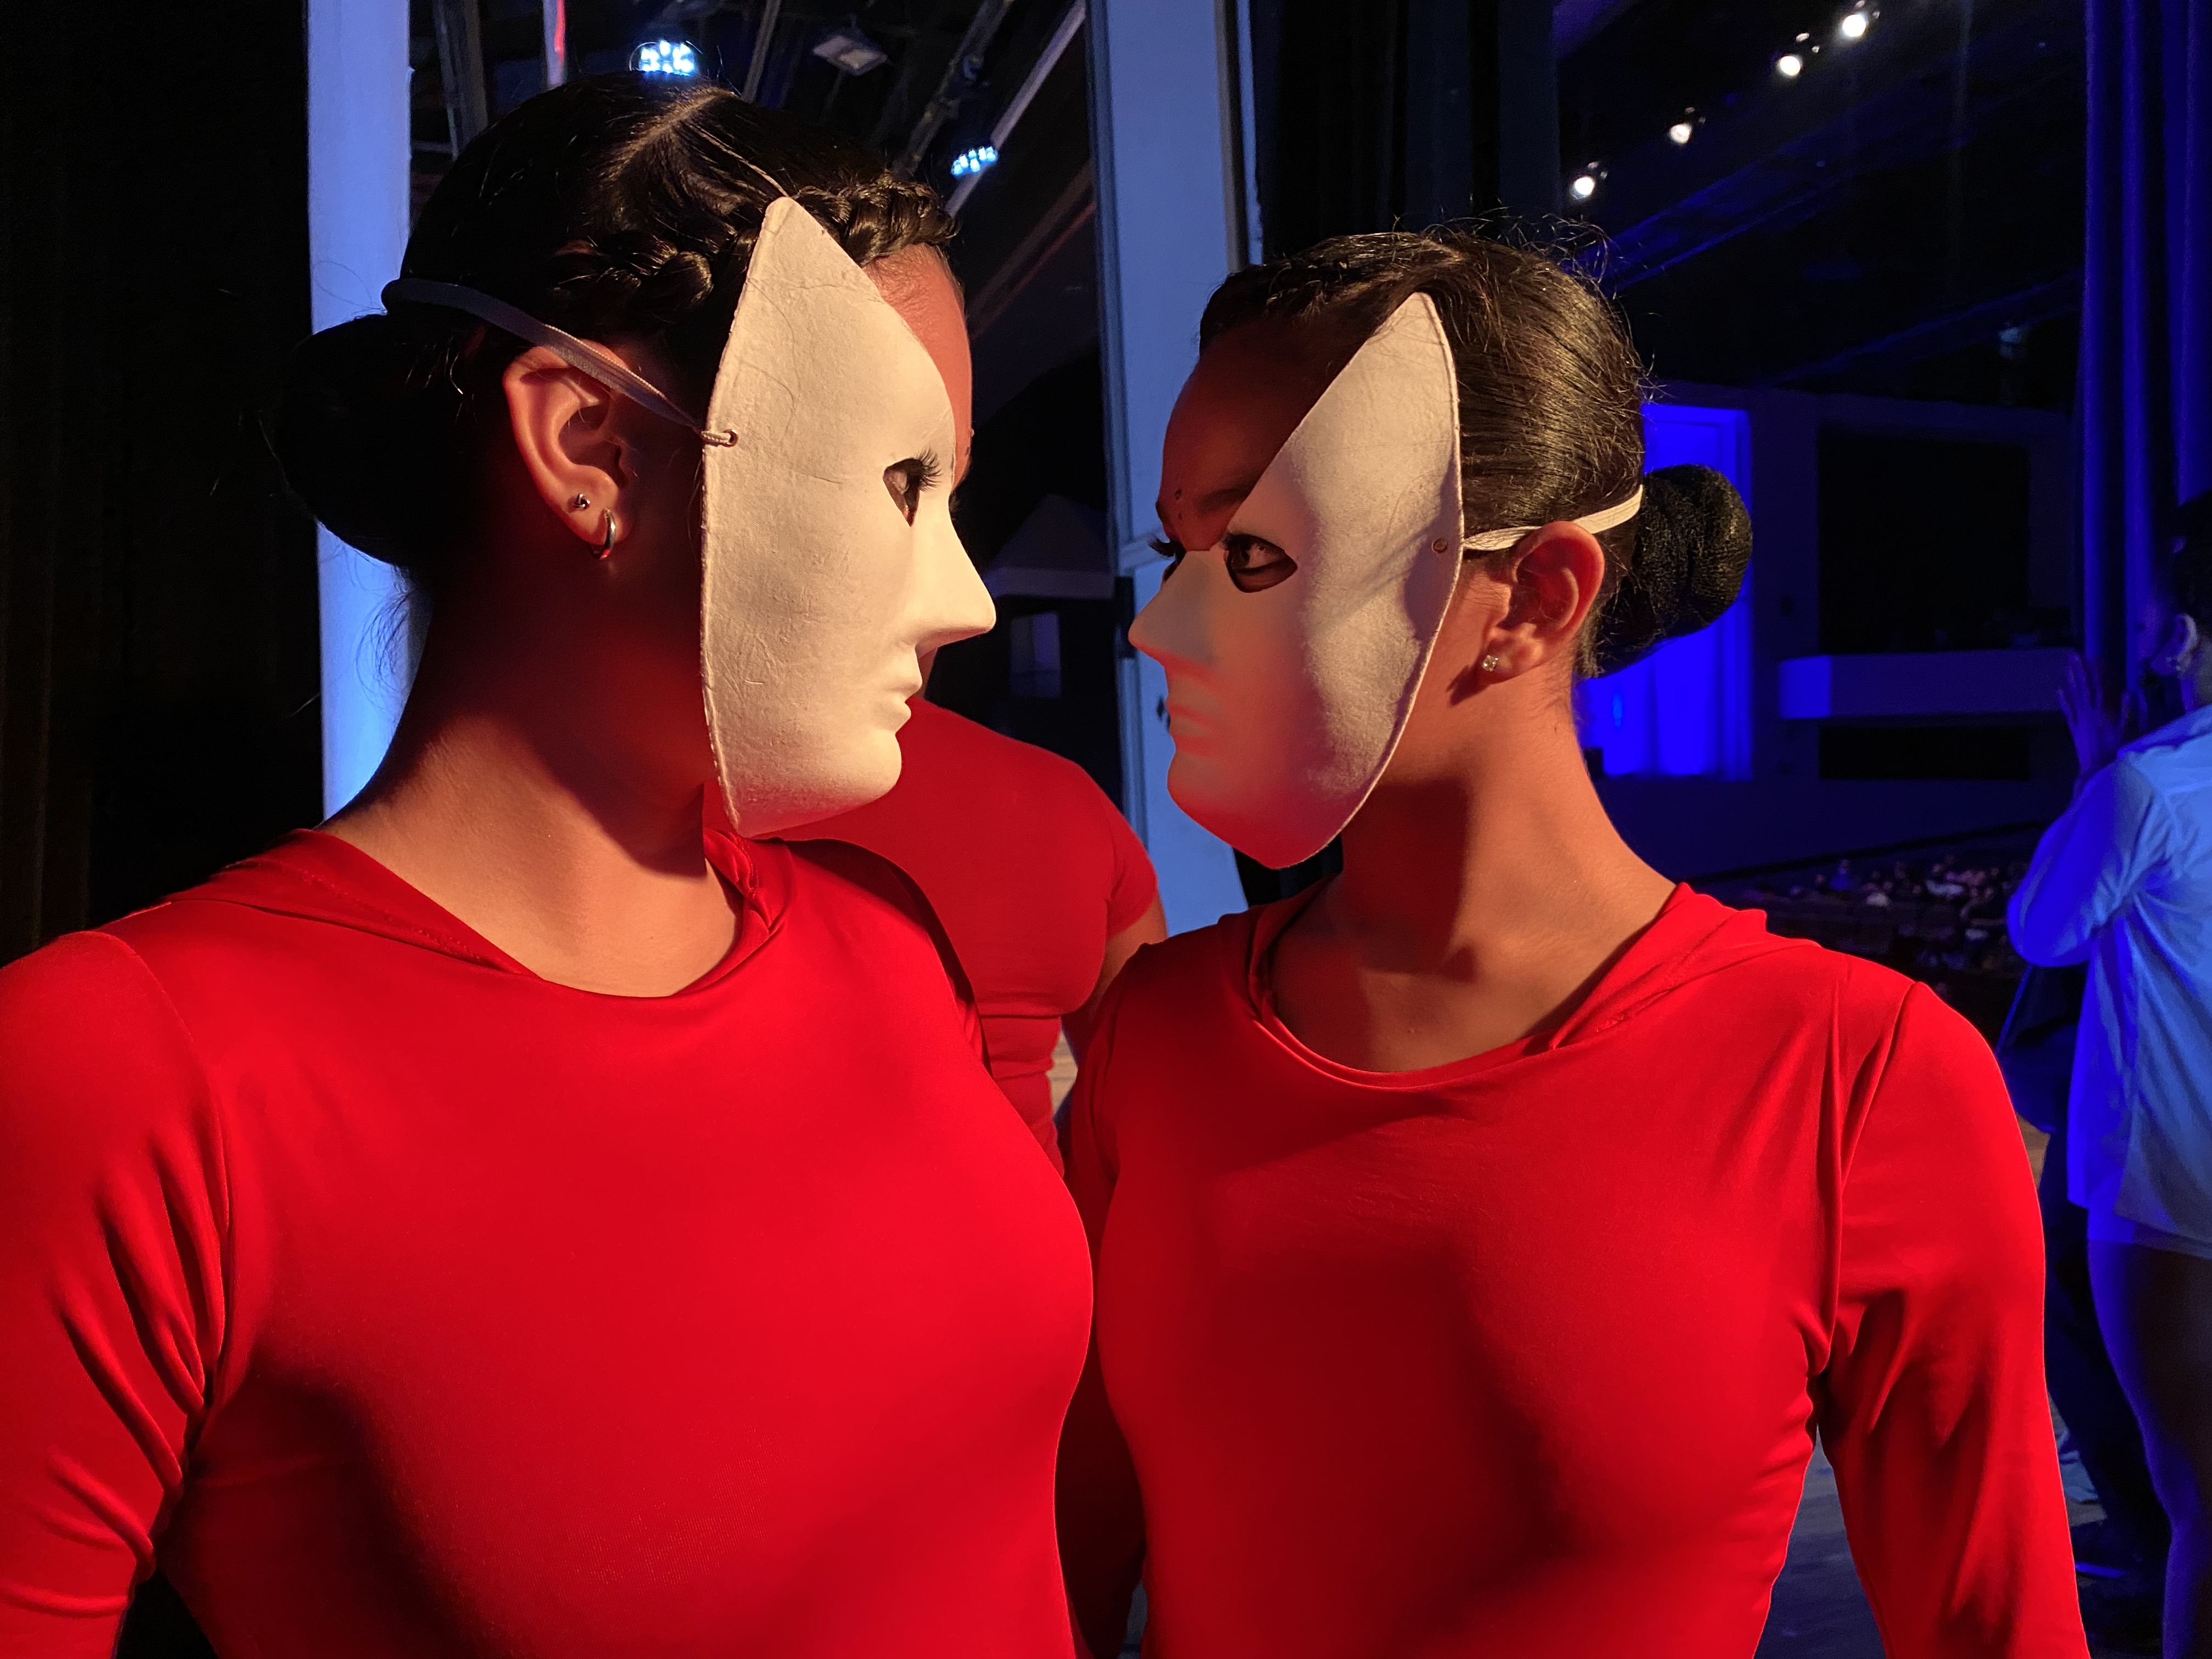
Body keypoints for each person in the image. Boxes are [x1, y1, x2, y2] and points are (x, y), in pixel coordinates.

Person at [0, 77, 1093, 1658]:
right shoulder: (133, 1076)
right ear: (590, 446)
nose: (970, 601)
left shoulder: (891, 951)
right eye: (899, 484)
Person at [1054, 229, 2087, 1658]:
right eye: (1178, 550)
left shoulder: (1855, 1078)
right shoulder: (1158, 1037)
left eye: (1254, 554)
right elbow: (1065, 1562)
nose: (1162, 627)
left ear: (1537, 597)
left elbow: (1993, 1623)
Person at [2011, 491, 2212, 1657]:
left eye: (2149, 622)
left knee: (2200, 1501)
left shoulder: (2149, 785)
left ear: (2180, 637)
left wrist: (2098, 773)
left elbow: (2044, 930)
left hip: (2170, 1193)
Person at [790, 666, 1164, 1168]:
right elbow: (1143, 1086)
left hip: (765, 1213)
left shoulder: (699, 798)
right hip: (1029, 1210)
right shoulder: (1066, 797)